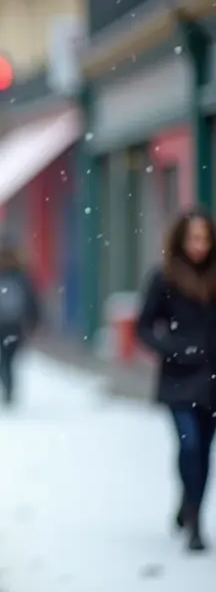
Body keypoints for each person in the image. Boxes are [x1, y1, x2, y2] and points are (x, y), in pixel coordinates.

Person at [136, 208, 216, 552]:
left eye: (206, 238)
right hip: (178, 379)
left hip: (211, 378)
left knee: (204, 449)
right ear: (181, 239)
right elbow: (144, 326)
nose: (200, 245)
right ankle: (194, 521)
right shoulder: (164, 278)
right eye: (194, 237)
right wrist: (172, 347)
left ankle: (192, 506)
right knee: (189, 444)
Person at [0, 246, 40, 407]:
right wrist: (33, 321)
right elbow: (32, 301)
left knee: (3, 358)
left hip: (0, 325)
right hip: (15, 325)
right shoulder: (21, 278)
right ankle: (8, 387)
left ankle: (6, 386)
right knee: (9, 359)